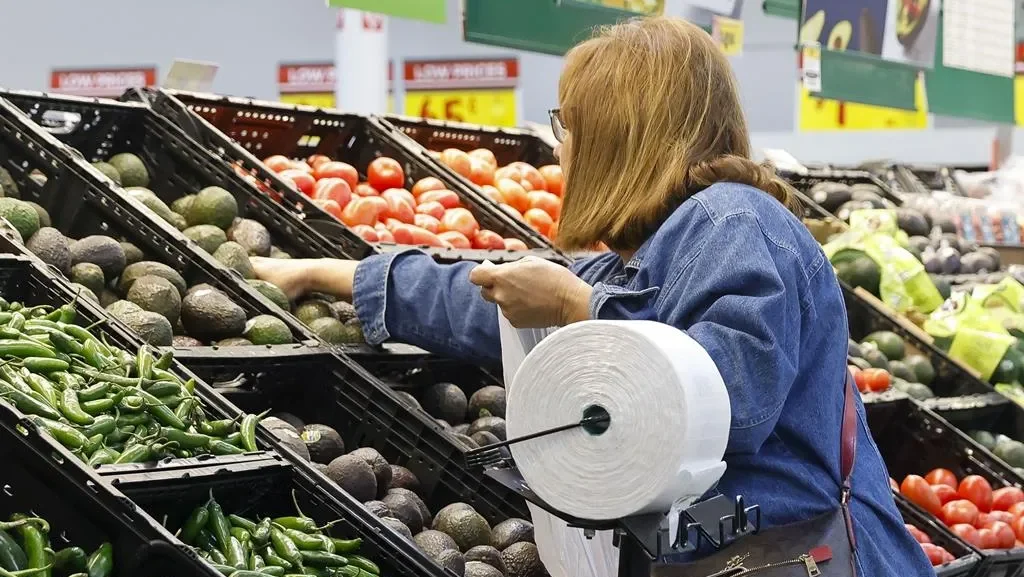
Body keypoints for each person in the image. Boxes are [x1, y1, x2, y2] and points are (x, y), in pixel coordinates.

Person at [253, 16, 933, 575]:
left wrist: (578, 309)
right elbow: (489, 299)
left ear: (621, 134)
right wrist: (324, 274)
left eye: (569, 125)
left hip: (799, 556)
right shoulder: (662, 245)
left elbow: (731, 398)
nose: (561, 149)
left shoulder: (734, 221)